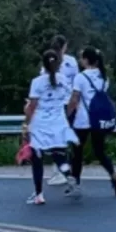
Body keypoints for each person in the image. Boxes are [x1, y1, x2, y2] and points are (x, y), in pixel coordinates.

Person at [23, 49, 79, 204]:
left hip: (41, 123)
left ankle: (39, 194)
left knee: (37, 158)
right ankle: (69, 177)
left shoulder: (37, 82)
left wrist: (26, 123)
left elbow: (33, 105)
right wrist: (65, 116)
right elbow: (70, 101)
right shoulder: (63, 80)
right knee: (59, 155)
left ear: (43, 64)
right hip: (58, 121)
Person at [67, 47, 116, 197]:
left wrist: (67, 115)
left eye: (82, 58)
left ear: (86, 60)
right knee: (100, 152)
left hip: (82, 120)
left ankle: (76, 184)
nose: (80, 61)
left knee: (77, 153)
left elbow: (74, 99)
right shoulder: (104, 77)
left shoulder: (80, 77)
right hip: (98, 120)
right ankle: (113, 175)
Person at [46, 34, 79, 187]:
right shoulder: (71, 62)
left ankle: (60, 170)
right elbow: (77, 84)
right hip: (69, 104)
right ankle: (63, 169)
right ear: (65, 46)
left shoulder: (48, 60)